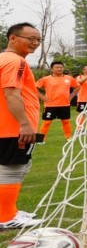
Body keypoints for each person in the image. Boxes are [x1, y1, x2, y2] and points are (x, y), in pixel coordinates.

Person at [0, 23, 44, 229]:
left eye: (38, 40)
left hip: (7, 127)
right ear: (13, 38)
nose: (35, 43)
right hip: (12, 128)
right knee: (12, 169)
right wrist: (24, 124)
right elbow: (11, 93)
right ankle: (6, 217)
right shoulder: (14, 61)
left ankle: (9, 209)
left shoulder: (5, 59)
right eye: (30, 38)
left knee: (19, 167)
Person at [35, 60, 78, 139]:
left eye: (61, 67)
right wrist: (42, 97)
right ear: (52, 69)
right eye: (57, 67)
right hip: (50, 105)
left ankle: (68, 137)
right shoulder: (46, 79)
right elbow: (34, 87)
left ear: (63, 68)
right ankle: (41, 139)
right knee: (47, 122)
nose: (59, 69)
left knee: (65, 121)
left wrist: (71, 96)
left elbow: (77, 87)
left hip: (64, 104)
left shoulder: (69, 78)